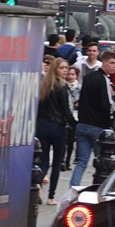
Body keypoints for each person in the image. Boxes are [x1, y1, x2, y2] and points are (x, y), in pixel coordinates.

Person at [69, 50, 115, 187]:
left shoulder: (89, 77)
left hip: (83, 124)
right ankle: (102, 189)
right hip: (97, 126)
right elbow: (104, 104)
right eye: (112, 63)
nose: (114, 66)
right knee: (104, 161)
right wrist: (109, 123)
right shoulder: (103, 80)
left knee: (81, 162)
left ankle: (73, 189)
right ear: (104, 62)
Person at [36, 58, 76, 205]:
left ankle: (38, 184)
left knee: (43, 160)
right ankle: (51, 196)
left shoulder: (44, 85)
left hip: (42, 126)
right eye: (62, 68)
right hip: (57, 127)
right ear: (55, 69)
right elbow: (65, 110)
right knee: (57, 162)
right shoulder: (62, 87)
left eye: (66, 68)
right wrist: (74, 126)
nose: (65, 70)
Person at [63, 66, 81, 171]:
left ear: (77, 76)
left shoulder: (80, 88)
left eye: (73, 74)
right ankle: (62, 160)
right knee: (64, 140)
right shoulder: (63, 87)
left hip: (75, 116)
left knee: (71, 141)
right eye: (69, 74)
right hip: (66, 116)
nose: (70, 76)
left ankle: (68, 161)